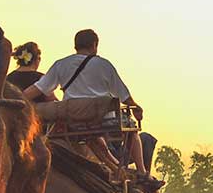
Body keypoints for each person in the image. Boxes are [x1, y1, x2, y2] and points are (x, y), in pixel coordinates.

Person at [23, 29, 152, 180]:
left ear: (75, 46)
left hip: (74, 120)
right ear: (94, 45)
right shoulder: (103, 65)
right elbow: (123, 94)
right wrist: (136, 108)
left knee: (91, 136)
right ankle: (142, 171)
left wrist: (17, 97)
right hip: (102, 119)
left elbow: (39, 88)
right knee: (132, 130)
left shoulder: (61, 64)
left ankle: (114, 166)